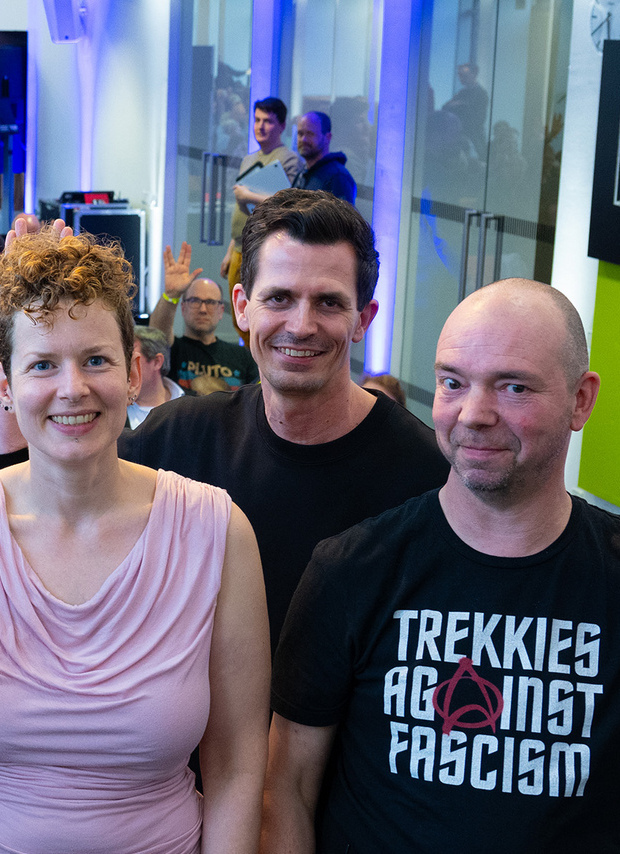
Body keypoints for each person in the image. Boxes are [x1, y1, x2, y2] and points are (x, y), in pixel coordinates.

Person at [0, 225, 268, 853]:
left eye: (95, 360)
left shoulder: (217, 533)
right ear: (5, 382)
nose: (71, 388)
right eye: (43, 364)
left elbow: (238, 765)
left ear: (133, 371)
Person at [264, 279, 618, 853]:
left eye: (514, 387)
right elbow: (286, 794)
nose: (474, 414)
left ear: (581, 400)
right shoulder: (352, 570)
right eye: (453, 382)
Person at [122, 189, 448, 642]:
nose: (300, 325)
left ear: (363, 319)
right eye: (278, 298)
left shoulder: (428, 475)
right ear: (241, 307)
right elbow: (53, 495)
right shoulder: (179, 437)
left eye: (329, 303)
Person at [148, 243, 259, 393]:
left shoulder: (243, 356)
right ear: (183, 307)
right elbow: (157, 336)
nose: (203, 309)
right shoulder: (173, 351)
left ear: (221, 311)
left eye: (210, 302)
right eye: (195, 301)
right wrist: (172, 295)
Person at [226, 97, 304, 282]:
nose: (260, 126)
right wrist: (229, 251)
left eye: (268, 121)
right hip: (239, 247)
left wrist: (248, 196)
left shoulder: (289, 159)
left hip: (264, 251)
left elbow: (286, 205)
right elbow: (241, 212)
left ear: (282, 126)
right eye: (257, 120)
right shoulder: (248, 159)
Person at [290, 111, 356, 205]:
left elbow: (342, 219)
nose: (303, 139)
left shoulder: (338, 177)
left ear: (327, 137)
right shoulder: (302, 173)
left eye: (310, 134)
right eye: (300, 134)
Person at [128, 325, 185, 429]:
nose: (123, 365)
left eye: (131, 358)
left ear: (157, 362)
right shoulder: (114, 409)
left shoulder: (193, 404)